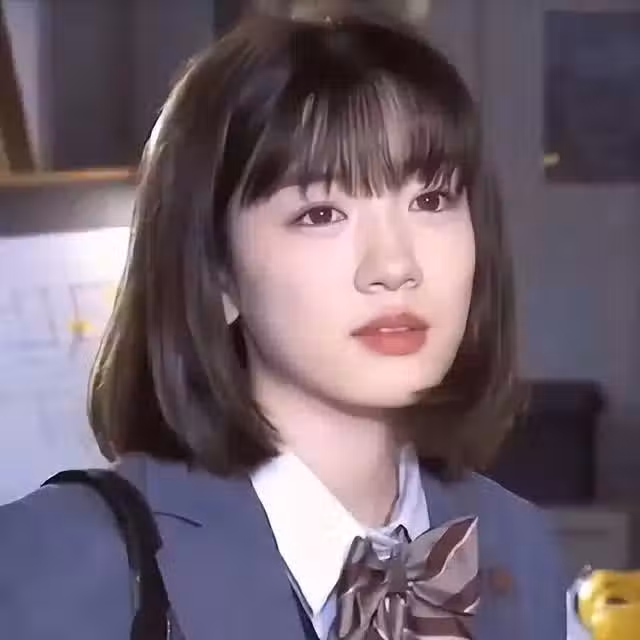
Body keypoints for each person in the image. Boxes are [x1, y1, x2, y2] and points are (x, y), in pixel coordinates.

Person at [0, 8, 568, 640]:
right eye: (322, 214)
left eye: (430, 200)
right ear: (216, 264)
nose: (395, 266)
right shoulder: (62, 559)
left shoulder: (516, 548)